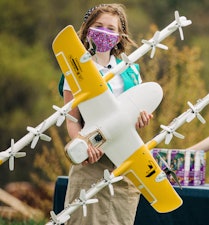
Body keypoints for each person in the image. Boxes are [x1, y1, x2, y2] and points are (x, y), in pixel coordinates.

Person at [59, 4, 152, 225]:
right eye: (98, 26)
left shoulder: (131, 70)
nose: (104, 32)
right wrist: (82, 144)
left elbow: (134, 115)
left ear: (120, 36)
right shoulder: (75, 69)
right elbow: (71, 118)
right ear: (87, 29)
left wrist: (143, 119)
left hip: (124, 161)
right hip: (91, 160)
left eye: (111, 28)